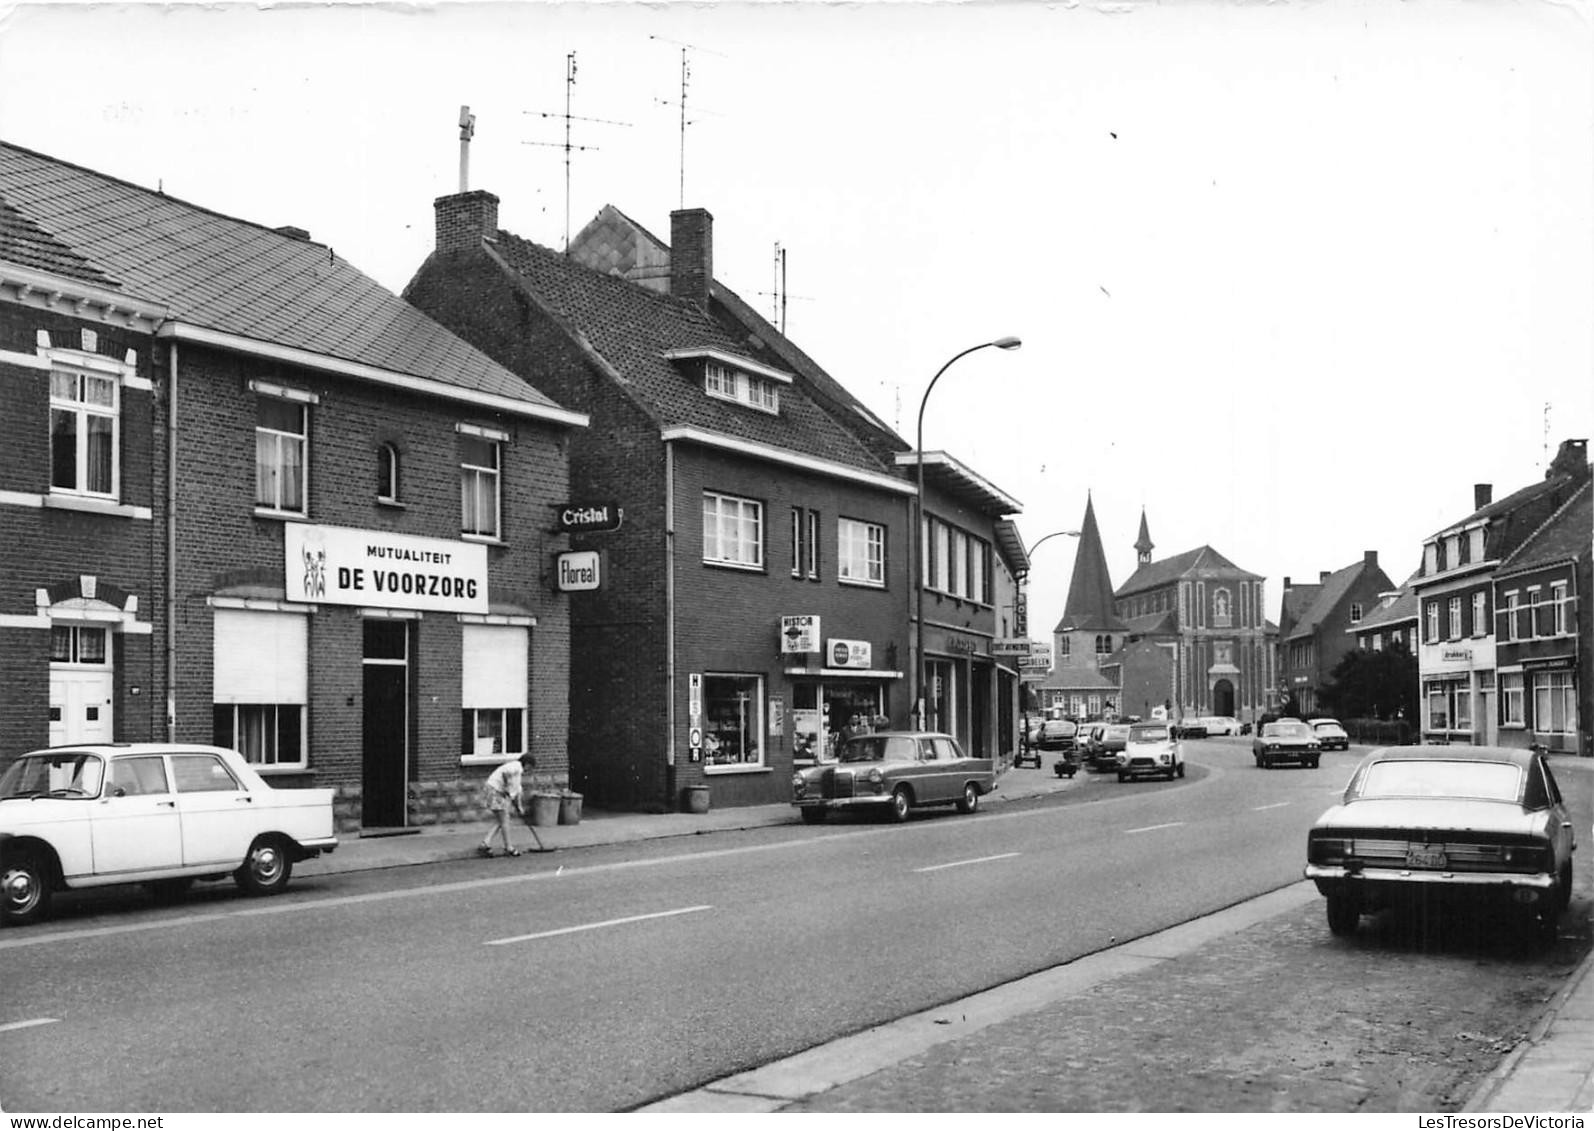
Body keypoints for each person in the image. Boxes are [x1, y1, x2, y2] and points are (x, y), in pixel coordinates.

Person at [477, 752, 535, 857]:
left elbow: (517, 790)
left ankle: (485, 843)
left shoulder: (515, 767)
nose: (529, 770)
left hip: (492, 790)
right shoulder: (516, 769)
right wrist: (516, 803)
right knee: (504, 820)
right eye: (530, 768)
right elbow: (512, 787)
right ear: (527, 764)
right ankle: (508, 847)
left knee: (501, 820)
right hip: (495, 791)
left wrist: (519, 806)